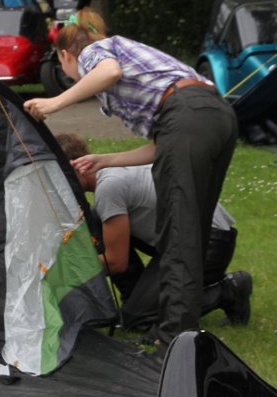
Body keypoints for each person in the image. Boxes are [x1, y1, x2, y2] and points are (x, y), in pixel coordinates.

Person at [23, 10, 238, 357]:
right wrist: (107, 160)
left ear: (65, 55)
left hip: (188, 116)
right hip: (215, 117)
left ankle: (172, 345)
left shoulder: (96, 51)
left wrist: (55, 103)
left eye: (62, 67)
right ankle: (175, 334)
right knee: (190, 235)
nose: (66, 75)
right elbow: (162, 146)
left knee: (179, 237)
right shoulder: (131, 72)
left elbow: (110, 72)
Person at [56, 132, 252, 331]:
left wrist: (63, 269)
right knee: (96, 219)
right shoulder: (112, 170)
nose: (58, 190)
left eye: (58, 180)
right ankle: (135, 298)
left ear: (77, 167)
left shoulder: (110, 187)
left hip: (210, 244)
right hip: (192, 237)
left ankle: (229, 290)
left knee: (139, 319)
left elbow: (115, 262)